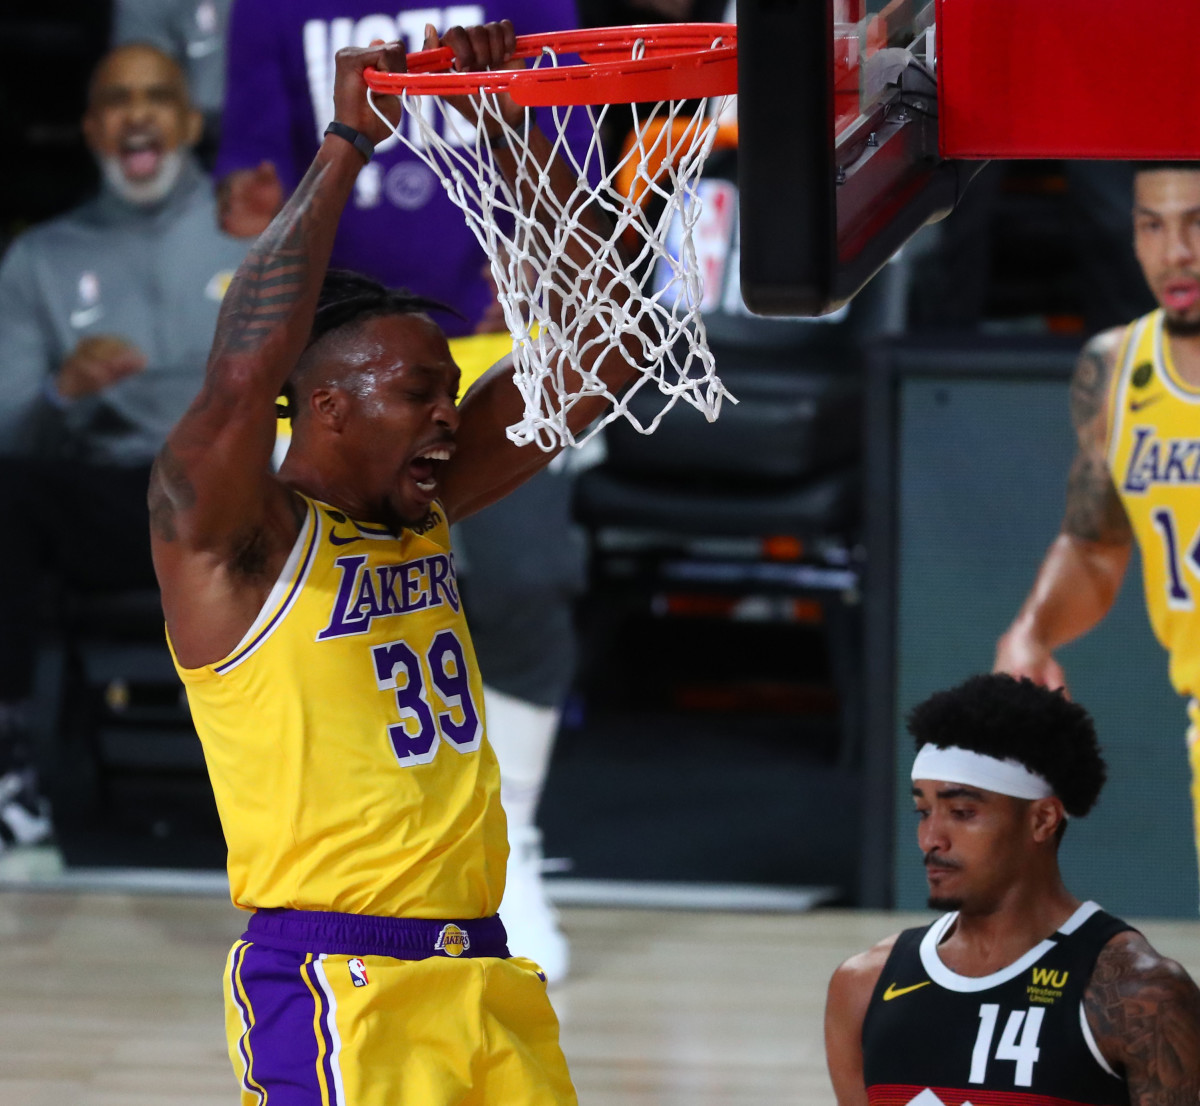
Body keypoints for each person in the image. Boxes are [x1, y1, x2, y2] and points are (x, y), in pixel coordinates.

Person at [150, 25, 635, 1101]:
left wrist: (508, 127)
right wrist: (345, 144)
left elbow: (606, 341)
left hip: (486, 972)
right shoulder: (236, 544)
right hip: (337, 982)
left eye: (449, 391)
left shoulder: (421, 509)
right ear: (324, 403)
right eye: (419, 391)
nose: (448, 416)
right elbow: (239, 379)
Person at [215, 0, 592, 980]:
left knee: (524, 580)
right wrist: (343, 146)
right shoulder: (270, 12)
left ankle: (515, 845)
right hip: (331, 363)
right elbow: (247, 195)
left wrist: (506, 129)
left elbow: (585, 189)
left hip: (485, 335)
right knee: (316, 617)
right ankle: (345, 860)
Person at [0, 43, 246, 851]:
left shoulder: (254, 232)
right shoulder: (40, 256)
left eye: (156, 97)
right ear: (91, 128)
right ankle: (11, 763)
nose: (136, 113)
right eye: (115, 100)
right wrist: (59, 390)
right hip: (108, 500)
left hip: (235, 501)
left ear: (186, 119)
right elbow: (8, 429)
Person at [825, 673, 1200, 1106]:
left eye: (962, 812)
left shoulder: (1140, 996)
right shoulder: (862, 986)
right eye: (923, 811)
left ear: (1042, 820)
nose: (932, 838)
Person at [994, 163, 1200, 882]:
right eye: (1153, 224)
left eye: (1196, 221)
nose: (1177, 250)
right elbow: (1095, 543)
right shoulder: (1117, 367)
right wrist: (1033, 632)